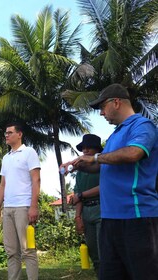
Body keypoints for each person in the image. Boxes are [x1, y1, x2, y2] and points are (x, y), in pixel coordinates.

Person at [61, 83, 158, 280]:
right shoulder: (115, 135)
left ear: (116, 102)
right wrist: (80, 164)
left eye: (102, 107)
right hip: (110, 219)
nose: (102, 113)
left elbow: (133, 153)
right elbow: (103, 165)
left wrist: (95, 158)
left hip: (136, 216)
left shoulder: (142, 125)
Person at [0, 122, 41, 280]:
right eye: (5, 133)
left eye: (10, 132)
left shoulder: (29, 152)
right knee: (11, 252)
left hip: (24, 207)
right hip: (8, 209)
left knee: (28, 250)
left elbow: (36, 180)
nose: (6, 135)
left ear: (19, 134)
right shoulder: (6, 158)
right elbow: (2, 185)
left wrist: (34, 206)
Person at [70, 134, 102, 277]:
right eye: (83, 147)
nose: (85, 150)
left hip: (102, 209)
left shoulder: (103, 166)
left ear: (97, 150)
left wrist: (82, 195)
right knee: (93, 252)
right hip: (86, 212)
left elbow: (104, 187)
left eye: (89, 147)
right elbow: (77, 196)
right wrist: (78, 217)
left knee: (104, 252)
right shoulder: (80, 172)